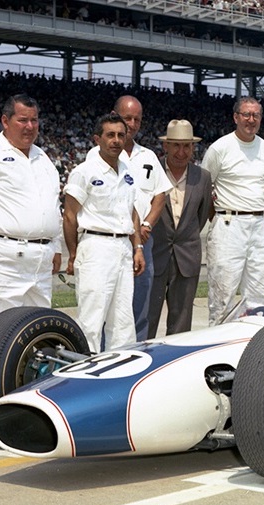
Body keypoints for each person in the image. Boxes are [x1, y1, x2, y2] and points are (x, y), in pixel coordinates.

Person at [0, 94, 63, 340]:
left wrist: (57, 247)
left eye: (34, 120)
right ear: (5, 121)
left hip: (40, 260)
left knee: (37, 331)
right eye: (22, 120)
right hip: (1, 258)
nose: (30, 126)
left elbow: (53, 205)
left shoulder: (43, 158)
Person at [62, 113, 145, 353]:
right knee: (92, 319)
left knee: (123, 321)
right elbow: (69, 215)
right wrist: (73, 254)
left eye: (121, 135)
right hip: (95, 246)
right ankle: (86, 370)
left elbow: (132, 212)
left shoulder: (128, 171)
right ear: (97, 139)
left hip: (124, 248)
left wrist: (138, 247)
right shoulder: (84, 171)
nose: (116, 140)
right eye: (110, 135)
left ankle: (120, 368)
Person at [201, 96, 264, 325]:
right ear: (236, 117)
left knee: (258, 295)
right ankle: (216, 339)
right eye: (246, 114)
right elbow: (206, 187)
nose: (251, 120)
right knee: (222, 295)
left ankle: (255, 340)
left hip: (259, 224)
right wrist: (220, 217)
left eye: (256, 115)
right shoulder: (220, 148)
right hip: (229, 223)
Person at [110, 95, 173, 341]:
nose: (132, 124)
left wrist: (146, 225)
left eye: (137, 119)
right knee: (110, 305)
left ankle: (136, 352)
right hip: (114, 239)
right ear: (114, 116)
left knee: (140, 303)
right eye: (127, 118)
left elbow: (160, 195)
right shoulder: (99, 155)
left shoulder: (148, 156)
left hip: (144, 241)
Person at [147, 119, 213, 338]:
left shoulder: (202, 177)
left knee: (182, 324)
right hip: (155, 254)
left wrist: (183, 236)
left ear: (193, 147)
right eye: (176, 145)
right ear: (166, 145)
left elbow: (200, 217)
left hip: (187, 256)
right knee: (147, 319)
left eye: (187, 146)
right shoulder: (153, 171)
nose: (181, 152)